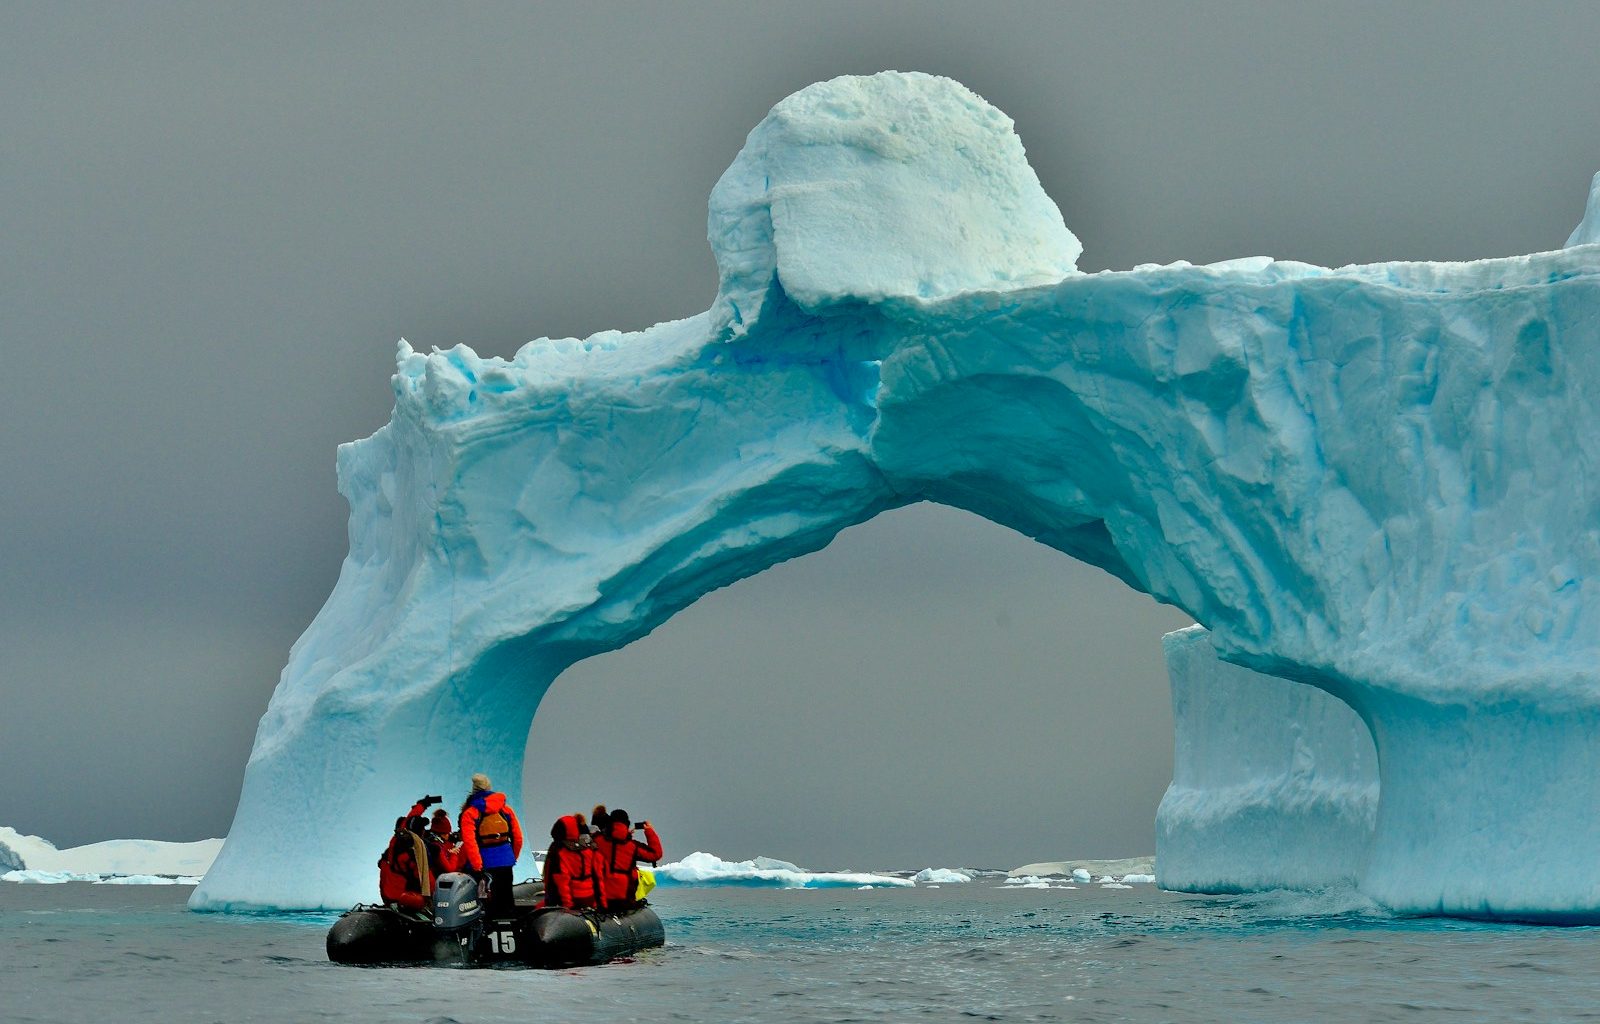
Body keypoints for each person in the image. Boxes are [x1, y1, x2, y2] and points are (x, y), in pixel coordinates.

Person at [458, 773, 523, 918]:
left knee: (484, 902)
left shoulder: (470, 813)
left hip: (483, 865)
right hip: (505, 862)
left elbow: (470, 843)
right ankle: (509, 930)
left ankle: (486, 933)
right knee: (506, 898)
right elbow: (518, 838)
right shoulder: (506, 810)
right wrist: (512, 857)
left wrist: (477, 866)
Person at [377, 795, 442, 914]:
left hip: (386, 894)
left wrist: (423, 804)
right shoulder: (415, 851)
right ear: (420, 831)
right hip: (400, 897)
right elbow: (427, 879)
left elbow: (409, 818)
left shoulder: (397, 839)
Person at [593, 809, 662, 910]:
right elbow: (655, 854)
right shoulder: (633, 846)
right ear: (627, 824)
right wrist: (649, 831)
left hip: (599, 900)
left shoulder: (597, 841)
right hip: (625, 901)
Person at [542, 814, 601, 910]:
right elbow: (597, 877)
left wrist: (567, 905)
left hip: (570, 902)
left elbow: (562, 881)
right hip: (588, 899)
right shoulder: (588, 851)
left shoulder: (560, 852)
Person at [428, 808, 463, 874]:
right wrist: (454, 854)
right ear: (438, 833)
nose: (448, 835)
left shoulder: (441, 843)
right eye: (445, 833)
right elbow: (450, 869)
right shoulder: (436, 847)